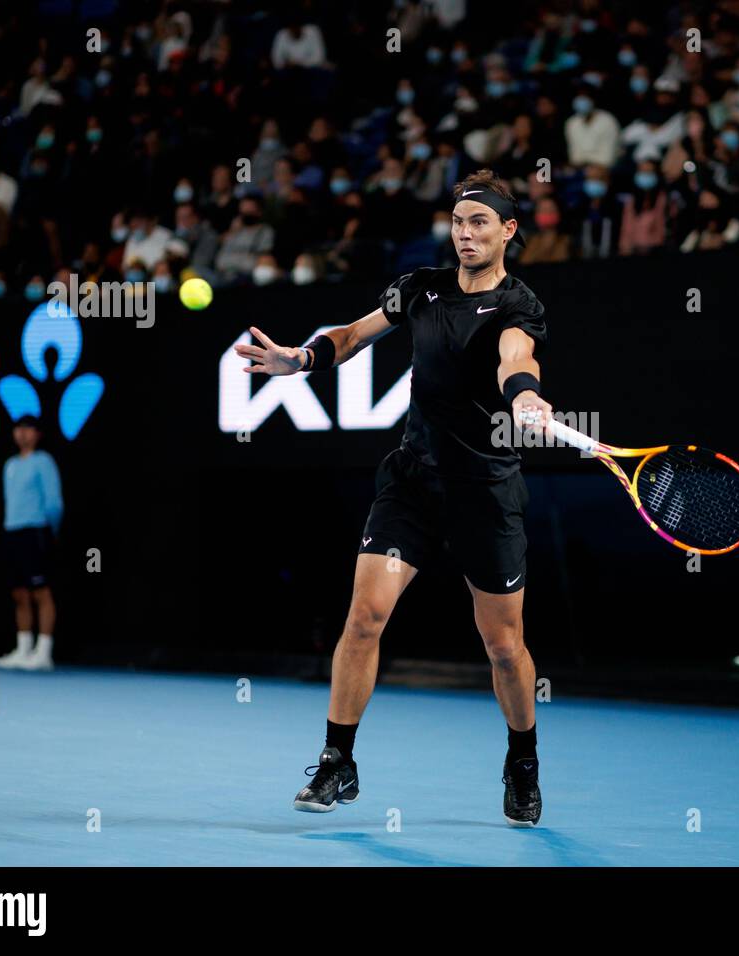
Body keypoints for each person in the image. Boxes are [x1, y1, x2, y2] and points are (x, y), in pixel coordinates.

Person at [233, 169, 549, 827]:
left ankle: (522, 761)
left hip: (485, 493)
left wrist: (523, 394)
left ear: (507, 231)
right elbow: (350, 334)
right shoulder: (421, 288)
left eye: (480, 223)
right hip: (412, 483)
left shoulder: (518, 305)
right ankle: (336, 759)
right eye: (459, 222)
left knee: (502, 646)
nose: (466, 234)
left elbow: (517, 357)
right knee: (364, 616)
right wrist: (303, 361)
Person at [0, 415, 63, 672]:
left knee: (40, 591)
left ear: (37, 434)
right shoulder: (10, 465)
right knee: (19, 593)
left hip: (36, 531)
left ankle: (43, 652)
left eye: (28, 429)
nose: (22, 434)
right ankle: (23, 649)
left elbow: (54, 502)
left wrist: (49, 530)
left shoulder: (43, 461)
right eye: (18, 429)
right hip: (12, 532)